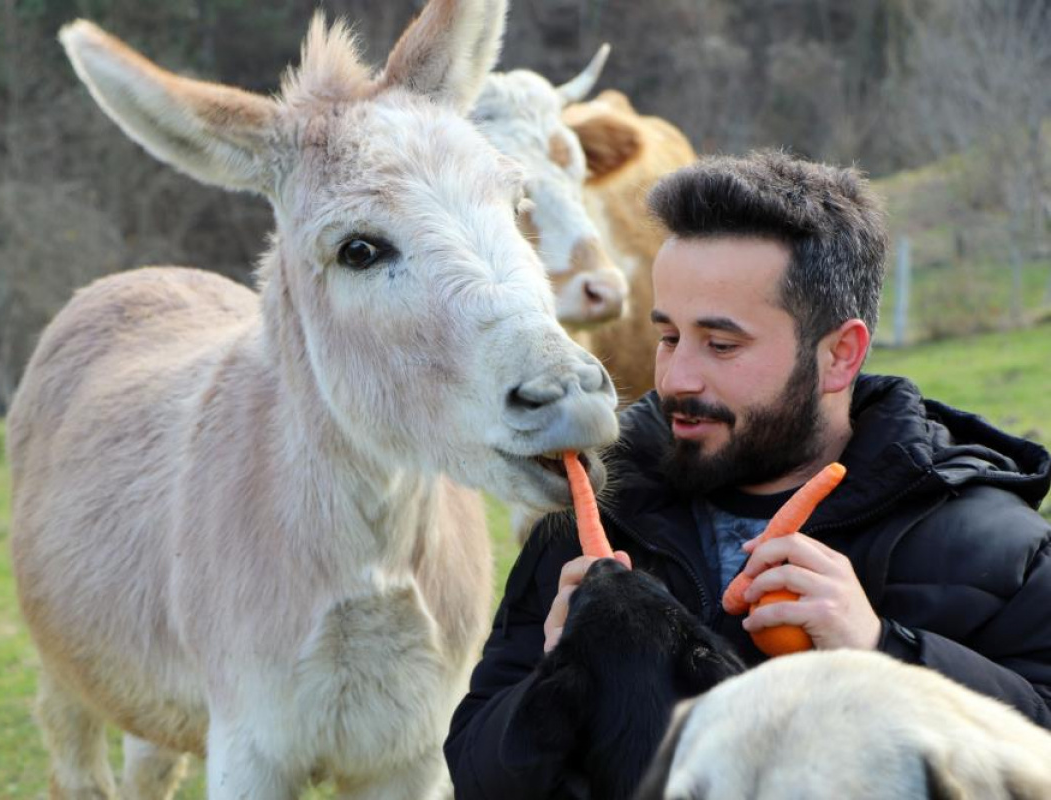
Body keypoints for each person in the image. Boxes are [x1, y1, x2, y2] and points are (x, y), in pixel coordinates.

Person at [444, 150, 1051, 798]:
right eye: (669, 336)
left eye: (722, 344)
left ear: (839, 355)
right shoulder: (590, 517)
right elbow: (475, 774)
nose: (677, 379)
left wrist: (883, 649)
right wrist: (555, 679)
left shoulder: (991, 546)